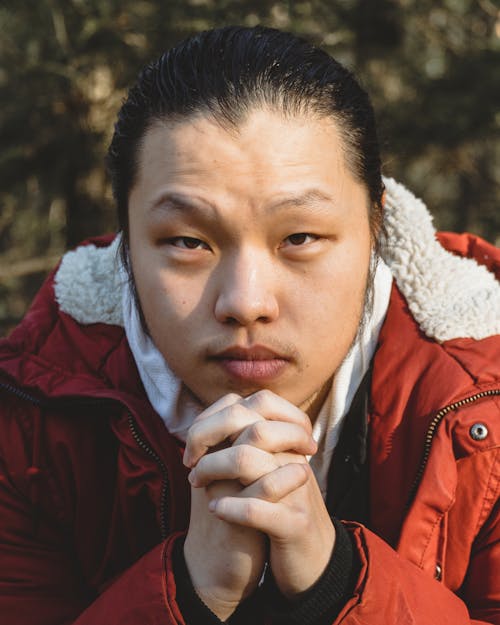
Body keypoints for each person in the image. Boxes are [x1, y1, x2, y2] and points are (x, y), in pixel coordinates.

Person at [0, 25, 498, 625]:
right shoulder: (27, 424)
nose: (246, 302)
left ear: (374, 229)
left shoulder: (483, 413)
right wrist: (189, 593)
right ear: (126, 244)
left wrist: (338, 582)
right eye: (187, 242)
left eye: (300, 237)